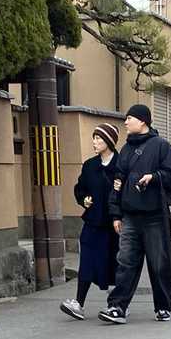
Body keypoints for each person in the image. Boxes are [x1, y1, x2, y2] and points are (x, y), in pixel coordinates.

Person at [98, 104, 171, 325]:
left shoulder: (160, 146)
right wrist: (115, 214)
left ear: (142, 121)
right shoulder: (126, 149)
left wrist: (154, 177)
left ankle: (163, 306)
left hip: (155, 216)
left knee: (159, 263)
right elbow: (117, 182)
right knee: (125, 261)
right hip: (130, 216)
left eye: (130, 118)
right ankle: (118, 306)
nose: (126, 122)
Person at [61, 123, 121, 320]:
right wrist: (83, 199)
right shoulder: (89, 165)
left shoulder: (121, 165)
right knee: (86, 261)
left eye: (99, 139)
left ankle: (117, 305)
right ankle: (78, 303)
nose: (95, 142)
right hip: (92, 222)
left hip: (114, 225)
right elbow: (80, 188)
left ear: (109, 141)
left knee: (114, 263)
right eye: (94, 138)